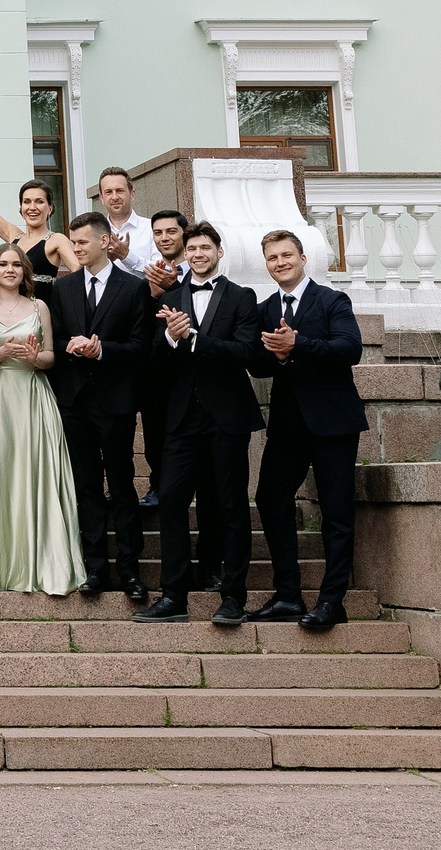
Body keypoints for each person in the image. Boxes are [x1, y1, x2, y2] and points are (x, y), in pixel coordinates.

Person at [135, 220, 262, 629]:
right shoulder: (170, 297)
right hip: (181, 418)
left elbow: (244, 352)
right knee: (171, 500)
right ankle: (173, 594)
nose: (198, 254)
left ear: (219, 252)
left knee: (230, 505)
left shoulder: (243, 297)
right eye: (192, 249)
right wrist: (171, 339)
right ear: (185, 255)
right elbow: (153, 361)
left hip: (226, 416)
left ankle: (233, 597)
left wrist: (191, 338)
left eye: (206, 247)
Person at [247, 228, 366, 633]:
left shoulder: (332, 300)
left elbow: (350, 348)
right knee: (269, 497)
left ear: (302, 258)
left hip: (334, 422)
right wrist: (277, 355)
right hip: (288, 424)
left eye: (286, 255)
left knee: (336, 511)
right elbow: (259, 366)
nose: (279, 263)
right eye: (272, 258)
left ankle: (333, 601)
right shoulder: (265, 309)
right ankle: (287, 595)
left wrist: (298, 344)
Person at [0, 244, 85, 595]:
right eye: (3, 264)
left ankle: (44, 561)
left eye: (17, 264)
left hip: (33, 395)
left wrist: (34, 357)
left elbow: (50, 357)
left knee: (36, 473)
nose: (10, 269)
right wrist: (1, 352)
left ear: (25, 271)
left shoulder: (39, 306)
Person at [48, 211, 151, 602]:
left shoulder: (132, 287)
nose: (75, 249)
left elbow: (141, 347)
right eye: (73, 243)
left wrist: (103, 349)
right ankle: (95, 569)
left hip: (115, 401)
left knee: (123, 486)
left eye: (82, 243)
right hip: (74, 399)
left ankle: (130, 571)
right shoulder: (64, 288)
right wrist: (71, 346)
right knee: (86, 486)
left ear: (105, 241)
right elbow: (54, 341)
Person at [135, 210, 192, 510]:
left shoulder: (196, 272)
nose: (164, 238)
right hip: (154, 370)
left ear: (184, 234)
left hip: (188, 371)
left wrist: (171, 290)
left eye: (171, 231)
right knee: (155, 434)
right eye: (158, 233)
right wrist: (153, 294)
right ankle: (157, 486)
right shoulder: (147, 275)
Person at [0, 134, 77, 279]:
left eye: (39, 201)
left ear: (50, 208)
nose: (32, 207)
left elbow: (78, 271)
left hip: (42, 301)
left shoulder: (57, 240)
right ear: (21, 208)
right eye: (27, 202)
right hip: (11, 301)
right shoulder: (14, 236)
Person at [94, 167, 159, 272]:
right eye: (108, 192)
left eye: (119, 191)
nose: (114, 197)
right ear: (101, 198)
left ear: (132, 194)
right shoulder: (94, 232)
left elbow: (162, 270)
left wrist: (126, 256)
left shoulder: (152, 228)